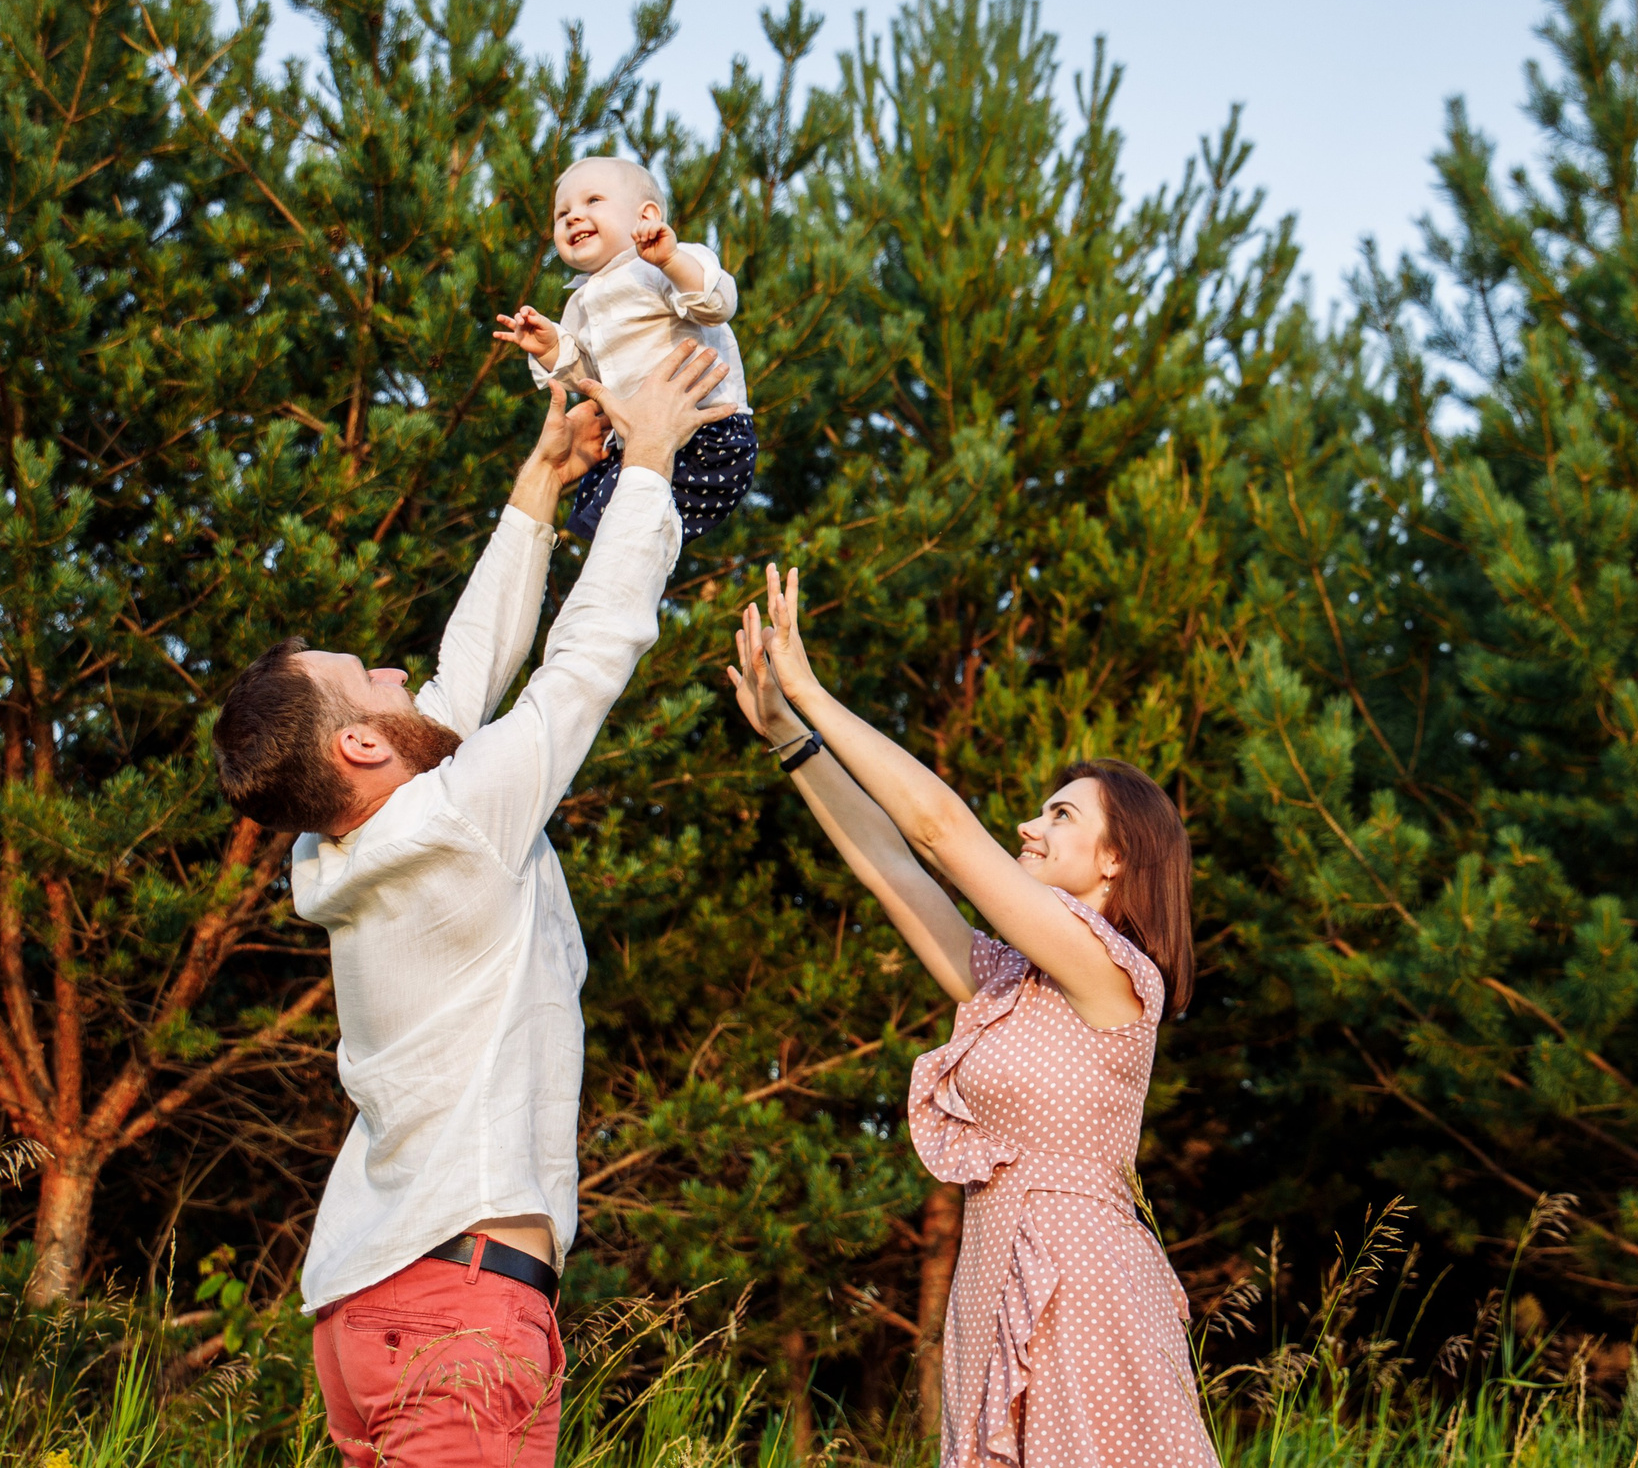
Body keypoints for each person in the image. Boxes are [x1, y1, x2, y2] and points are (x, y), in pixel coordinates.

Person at [209, 345, 734, 1468]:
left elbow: (456, 689)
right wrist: (645, 467)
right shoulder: (449, 823)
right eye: (374, 679)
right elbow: (584, 660)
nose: (403, 678)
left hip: (366, 1308)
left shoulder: (340, 848)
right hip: (461, 1306)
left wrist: (541, 484)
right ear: (357, 744)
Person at [724, 566, 1221, 1468]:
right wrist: (792, 740)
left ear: (1115, 861)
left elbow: (942, 832)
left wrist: (811, 689)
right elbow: (895, 869)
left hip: (1079, 1287)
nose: (1030, 827)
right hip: (995, 1282)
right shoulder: (1009, 980)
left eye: (1059, 815)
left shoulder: (1112, 973)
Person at [493, 155, 757, 545]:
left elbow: (717, 303)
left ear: (645, 215)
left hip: (705, 432)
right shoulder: (579, 304)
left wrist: (671, 260)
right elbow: (585, 378)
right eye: (561, 213)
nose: (572, 217)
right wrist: (551, 349)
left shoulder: (662, 265)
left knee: (626, 534)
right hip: (633, 446)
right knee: (610, 539)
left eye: (592, 201)